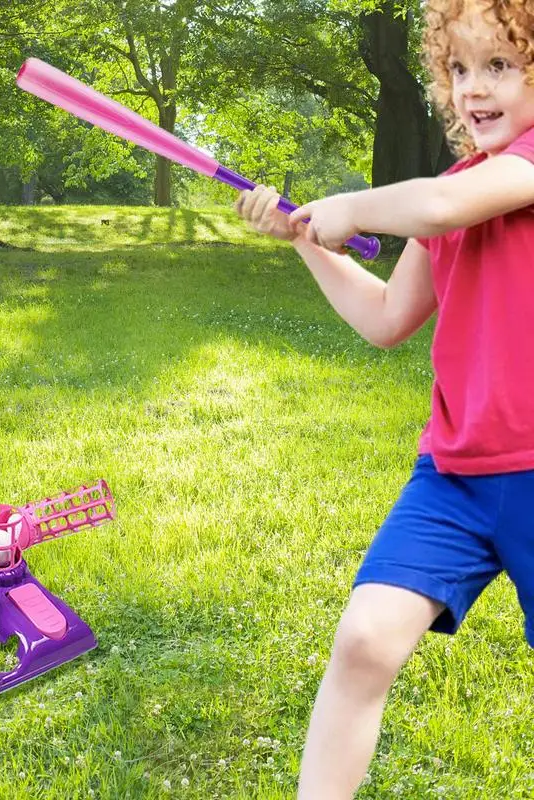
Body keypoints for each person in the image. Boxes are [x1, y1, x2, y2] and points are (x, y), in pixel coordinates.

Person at [234, 1, 534, 797]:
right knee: (364, 642)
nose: (474, 88)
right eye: (460, 69)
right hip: (456, 476)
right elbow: (385, 318)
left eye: (500, 65)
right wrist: (306, 239)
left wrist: (351, 207)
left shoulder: (522, 168)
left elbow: (432, 208)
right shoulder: (458, 185)